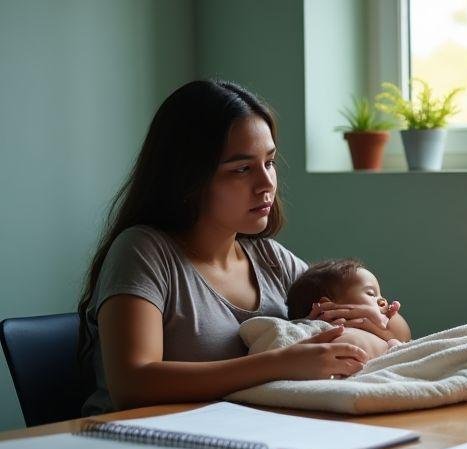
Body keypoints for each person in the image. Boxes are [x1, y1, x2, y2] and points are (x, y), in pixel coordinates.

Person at [77, 80, 410, 415]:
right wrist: (277, 364)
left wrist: (377, 321)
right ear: (188, 176)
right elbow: (132, 385)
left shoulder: (270, 259)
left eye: (270, 162)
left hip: (247, 436)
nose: (266, 184)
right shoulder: (143, 252)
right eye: (242, 169)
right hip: (140, 447)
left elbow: (400, 338)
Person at [284, 258, 403, 361]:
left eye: (380, 295)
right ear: (327, 308)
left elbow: (404, 336)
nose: (383, 301)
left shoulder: (381, 334)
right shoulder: (331, 334)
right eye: (371, 293)